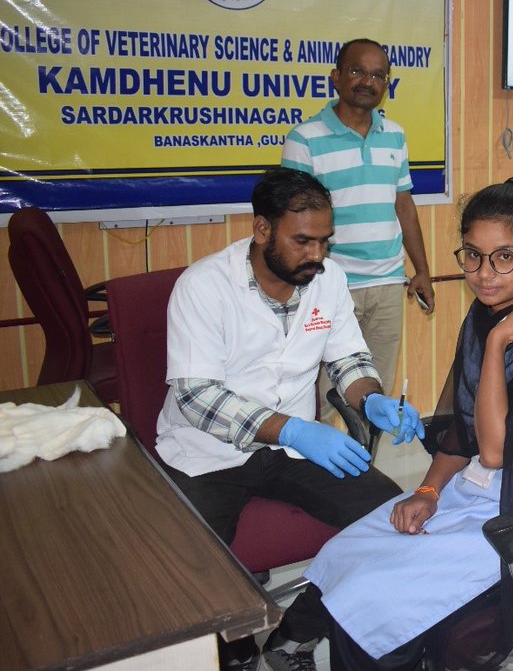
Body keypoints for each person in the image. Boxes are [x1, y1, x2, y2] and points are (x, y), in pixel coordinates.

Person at [261, 176, 513, 671]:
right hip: (484, 490)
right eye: (472, 255)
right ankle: (291, 643)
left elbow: (493, 450)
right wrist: (426, 492)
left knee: (380, 598)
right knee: (355, 547)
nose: (485, 274)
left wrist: (496, 347)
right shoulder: (486, 312)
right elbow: (461, 431)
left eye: (505, 257)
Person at [159, 168, 423, 670]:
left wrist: (370, 401)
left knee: (393, 520)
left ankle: (295, 636)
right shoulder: (203, 286)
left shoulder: (329, 280)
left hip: (291, 451)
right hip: (206, 452)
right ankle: (233, 654)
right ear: (262, 230)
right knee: (190, 568)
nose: (317, 255)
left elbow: (349, 361)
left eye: (324, 241)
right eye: (303, 241)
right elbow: (196, 396)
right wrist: (294, 427)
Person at [282, 37, 435, 396]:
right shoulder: (304, 139)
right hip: (328, 285)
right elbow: (290, 222)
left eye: (378, 75)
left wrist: (423, 270)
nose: (368, 82)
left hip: (387, 285)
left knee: (374, 394)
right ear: (335, 77)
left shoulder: (395, 136)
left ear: (386, 85)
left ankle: (365, 455)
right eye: (357, 71)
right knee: (320, 396)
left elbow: (404, 207)